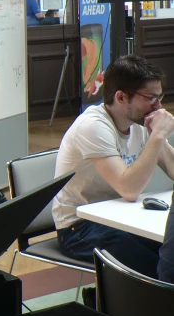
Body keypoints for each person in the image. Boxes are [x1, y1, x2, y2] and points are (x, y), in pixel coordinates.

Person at [53, 55, 174, 279]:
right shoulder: (93, 126)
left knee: (169, 252)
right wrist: (157, 136)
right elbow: (129, 190)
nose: (158, 106)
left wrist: (157, 136)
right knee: (158, 271)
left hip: (121, 217)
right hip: (78, 227)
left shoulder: (141, 121)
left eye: (160, 97)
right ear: (121, 97)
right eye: (151, 98)